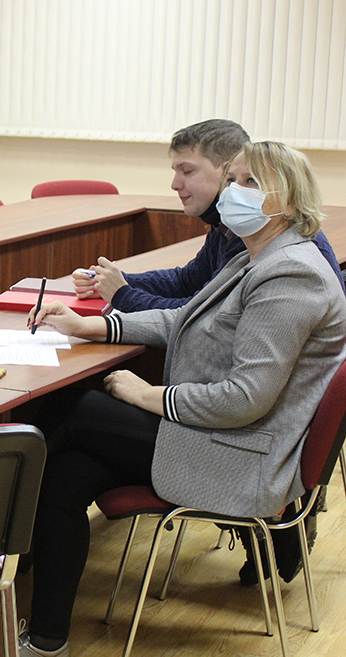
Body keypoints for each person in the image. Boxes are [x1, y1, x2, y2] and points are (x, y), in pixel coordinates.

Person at [19, 142, 346, 657]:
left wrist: (151, 394)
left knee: (74, 410)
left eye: (249, 183)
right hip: (225, 435)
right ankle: (45, 639)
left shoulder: (291, 274)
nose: (232, 192)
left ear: (287, 200)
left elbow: (246, 398)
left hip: (244, 454)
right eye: (233, 179)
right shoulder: (259, 255)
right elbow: (186, 317)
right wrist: (96, 326)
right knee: (68, 472)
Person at [71, 119, 343, 309]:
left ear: (225, 169)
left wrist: (122, 294)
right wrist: (114, 281)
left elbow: (199, 311)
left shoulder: (259, 230)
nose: (175, 184)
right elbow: (187, 281)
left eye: (187, 171)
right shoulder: (226, 223)